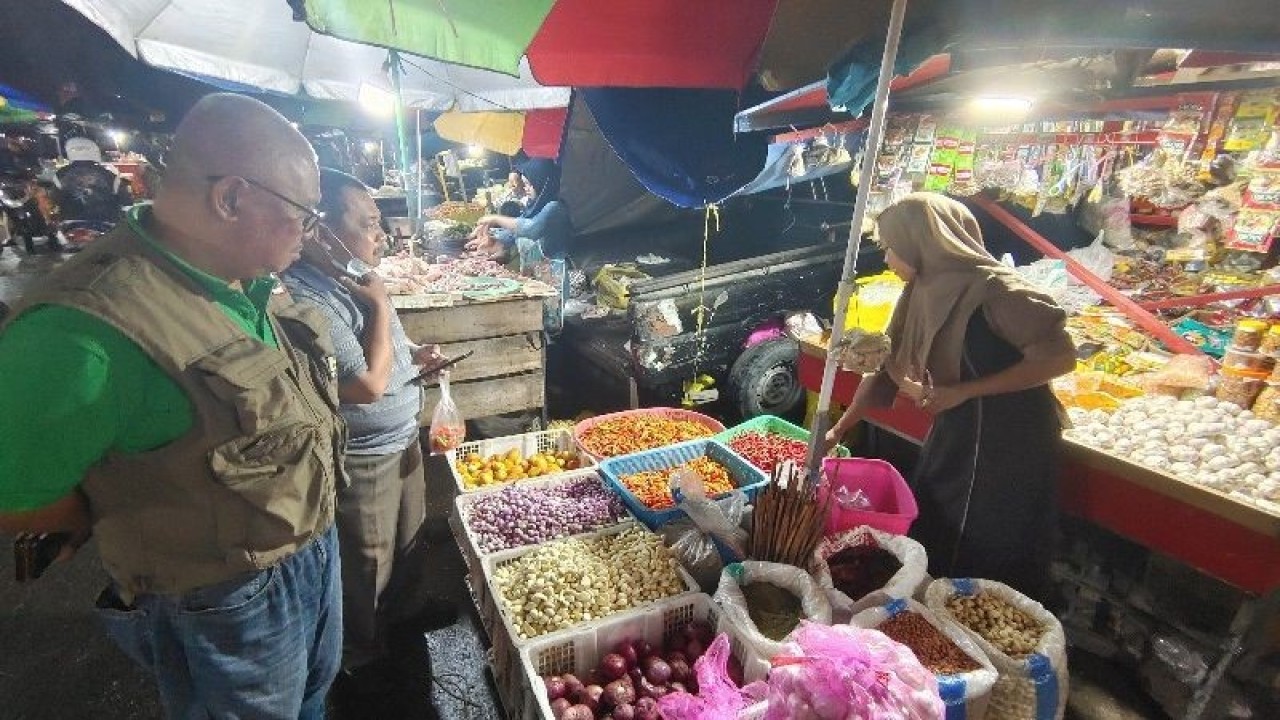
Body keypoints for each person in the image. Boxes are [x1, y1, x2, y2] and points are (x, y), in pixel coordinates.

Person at [0, 93, 345, 719]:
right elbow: (16, 493)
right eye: (304, 213)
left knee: (311, 705)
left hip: (310, 556)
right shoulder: (83, 331)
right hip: (222, 597)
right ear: (232, 198)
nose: (310, 232)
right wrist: (107, 509)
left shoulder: (239, 276)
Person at [824, 193, 1076, 600]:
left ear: (921, 242)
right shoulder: (920, 289)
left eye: (890, 247)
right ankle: (936, 603)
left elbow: (1061, 358)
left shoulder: (997, 291)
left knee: (984, 532)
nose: (886, 258)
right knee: (938, 508)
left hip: (1008, 434)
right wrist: (838, 429)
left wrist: (965, 390)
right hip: (959, 422)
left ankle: (973, 616)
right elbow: (889, 366)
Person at [281, 168, 455, 698]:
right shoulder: (305, 298)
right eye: (368, 222)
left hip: (401, 438)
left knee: (409, 538)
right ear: (318, 229)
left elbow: (385, 349)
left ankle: (404, 615)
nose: (381, 233)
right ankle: (362, 654)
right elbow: (362, 385)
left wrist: (414, 356)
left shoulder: (350, 276)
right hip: (365, 452)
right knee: (367, 560)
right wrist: (379, 303)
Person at [465, 158, 571, 261]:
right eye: (525, 184)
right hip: (539, 271)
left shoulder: (555, 207)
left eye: (529, 184)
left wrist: (495, 219)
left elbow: (530, 229)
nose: (525, 188)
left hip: (560, 271)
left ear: (542, 183)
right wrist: (494, 239)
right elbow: (514, 232)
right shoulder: (534, 208)